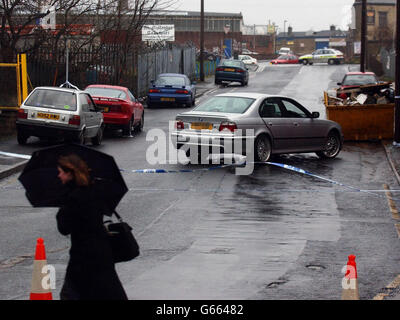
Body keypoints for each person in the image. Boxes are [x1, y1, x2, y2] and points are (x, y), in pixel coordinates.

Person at [56, 154, 128, 300]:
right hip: (102, 252)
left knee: (71, 294)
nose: (59, 176)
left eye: (61, 172)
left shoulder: (72, 198)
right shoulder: (95, 188)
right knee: (109, 292)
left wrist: (62, 208)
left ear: (70, 174)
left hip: (82, 257)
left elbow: (64, 228)